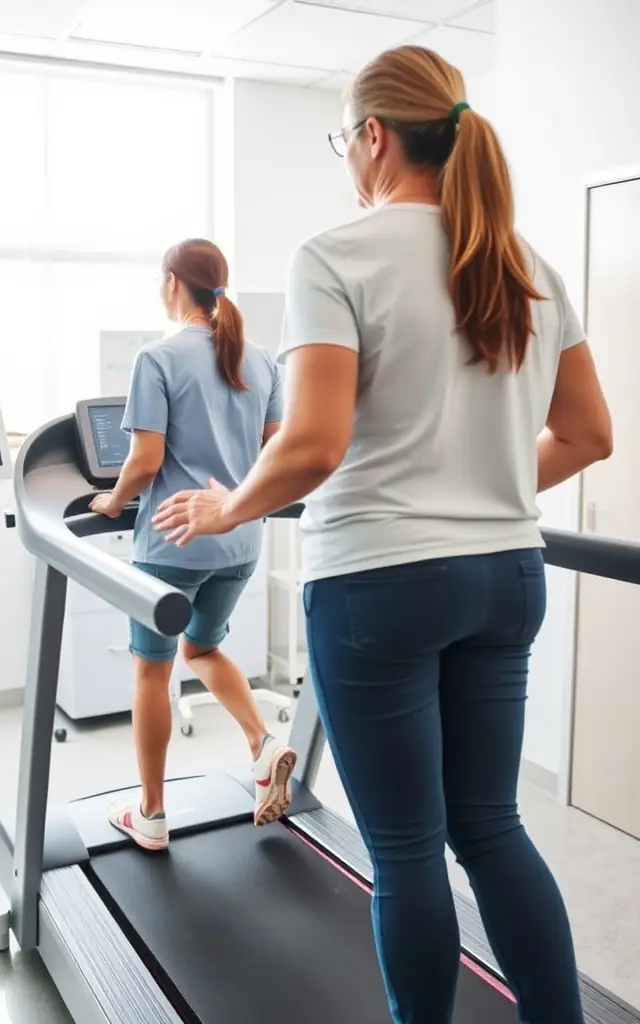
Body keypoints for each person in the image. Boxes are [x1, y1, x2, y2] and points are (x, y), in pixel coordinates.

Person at [153, 45, 613, 1024]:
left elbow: (315, 444)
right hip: (506, 575)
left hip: (379, 585)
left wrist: (228, 504)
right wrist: (474, 484)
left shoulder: (335, 255)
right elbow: (589, 434)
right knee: (491, 826)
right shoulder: (529, 265)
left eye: (342, 141)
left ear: (372, 136)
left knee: (406, 845)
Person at [90, 238, 296, 852]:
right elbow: (274, 451)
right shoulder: (261, 359)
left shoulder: (157, 357)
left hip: (173, 543)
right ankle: (263, 745)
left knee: (152, 671)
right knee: (202, 648)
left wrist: (111, 501)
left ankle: (150, 813)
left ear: (173, 283)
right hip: (239, 542)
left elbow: (145, 460)